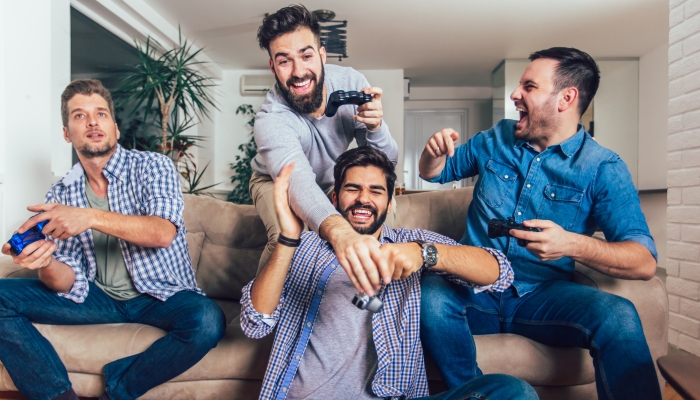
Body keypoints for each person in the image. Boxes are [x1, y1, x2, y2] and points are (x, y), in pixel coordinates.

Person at [418, 47, 660, 400]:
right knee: (429, 293)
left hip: (543, 298)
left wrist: (571, 244)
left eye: (529, 86)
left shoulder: (602, 168)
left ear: (566, 98)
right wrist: (432, 155)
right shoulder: (497, 138)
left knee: (619, 315)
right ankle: (477, 395)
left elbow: (643, 261)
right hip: (474, 286)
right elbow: (435, 172)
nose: (515, 94)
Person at [240, 146, 537, 399]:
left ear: (390, 202)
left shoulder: (410, 244)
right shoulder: (305, 246)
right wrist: (288, 238)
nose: (363, 199)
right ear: (333, 200)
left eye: (376, 191)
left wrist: (425, 253)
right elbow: (255, 323)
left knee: (511, 391)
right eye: (352, 188)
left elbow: (500, 272)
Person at [0, 79, 225, 400]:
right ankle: (58, 396)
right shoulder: (62, 193)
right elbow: (67, 282)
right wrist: (46, 261)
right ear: (67, 133)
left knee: (207, 321)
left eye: (101, 114)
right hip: (98, 297)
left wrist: (89, 217)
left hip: (161, 295)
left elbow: (162, 233)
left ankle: (118, 387)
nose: (92, 121)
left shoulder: (153, 167)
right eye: (79, 116)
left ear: (115, 128)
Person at [250, 5, 399, 293]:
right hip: (276, 180)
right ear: (272, 67)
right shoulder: (270, 120)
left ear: (322, 55)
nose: (298, 72)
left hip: (332, 178)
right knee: (287, 233)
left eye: (306, 56)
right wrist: (341, 233)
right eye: (284, 61)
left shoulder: (351, 82)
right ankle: (263, 314)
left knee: (382, 217)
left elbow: (385, 166)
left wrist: (375, 128)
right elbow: (299, 184)